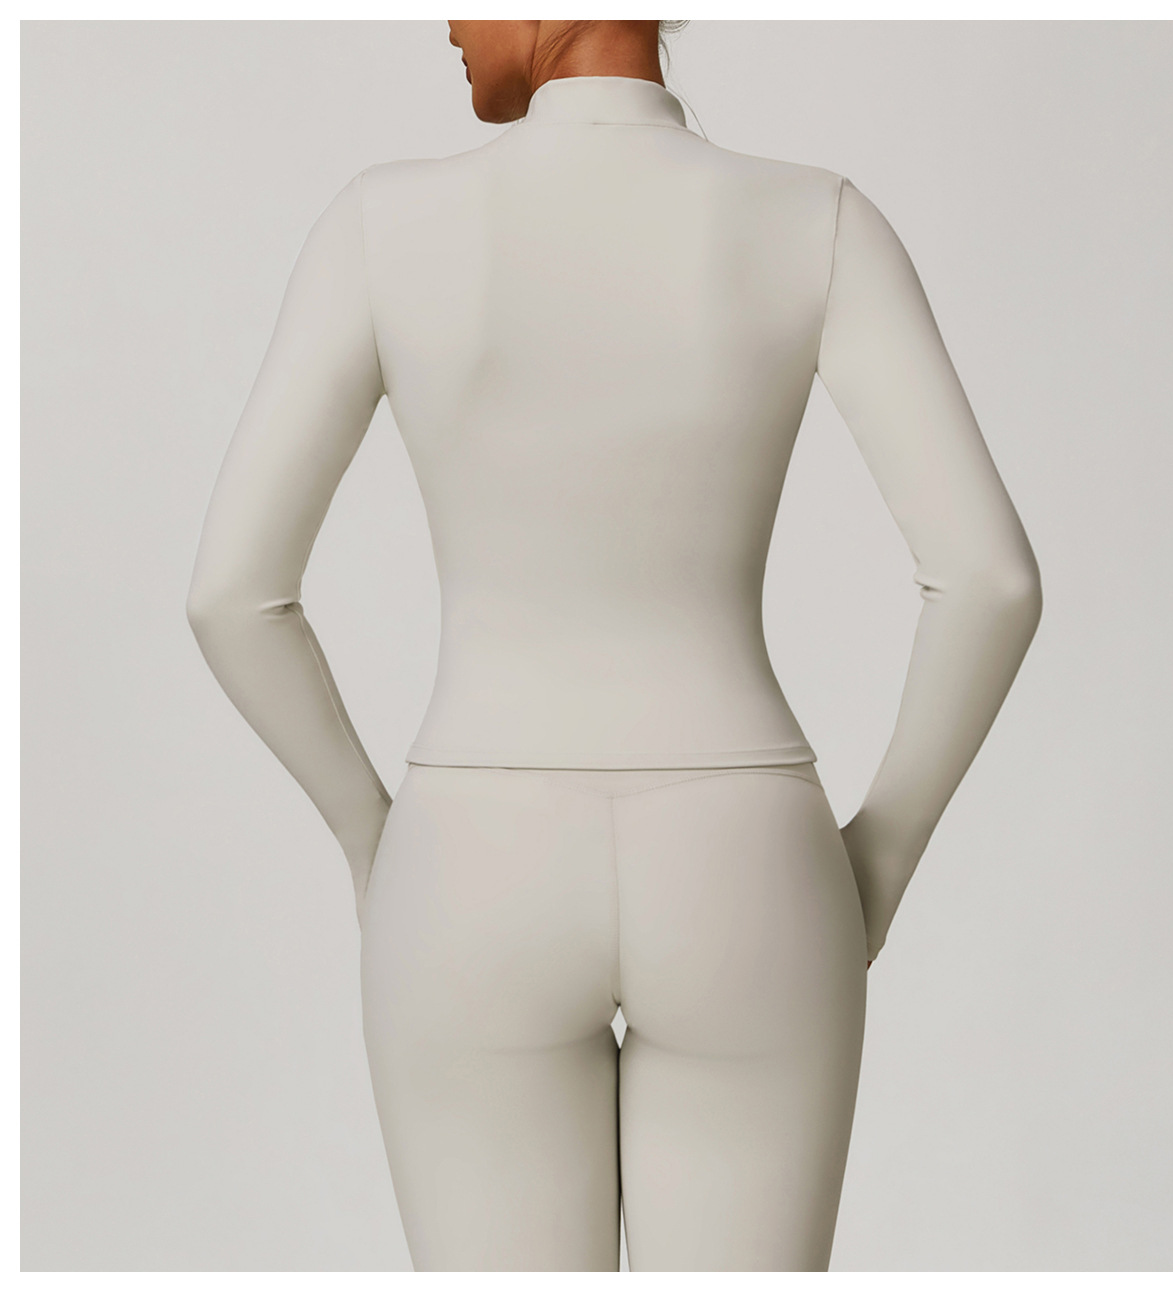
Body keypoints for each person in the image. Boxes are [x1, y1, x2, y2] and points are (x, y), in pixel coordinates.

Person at [186, 18, 1042, 1273]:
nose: (447, 19)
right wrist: (880, 857)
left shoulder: (382, 224)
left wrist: (376, 844)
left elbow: (233, 593)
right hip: (747, 855)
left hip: (472, 855)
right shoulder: (817, 219)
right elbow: (992, 581)